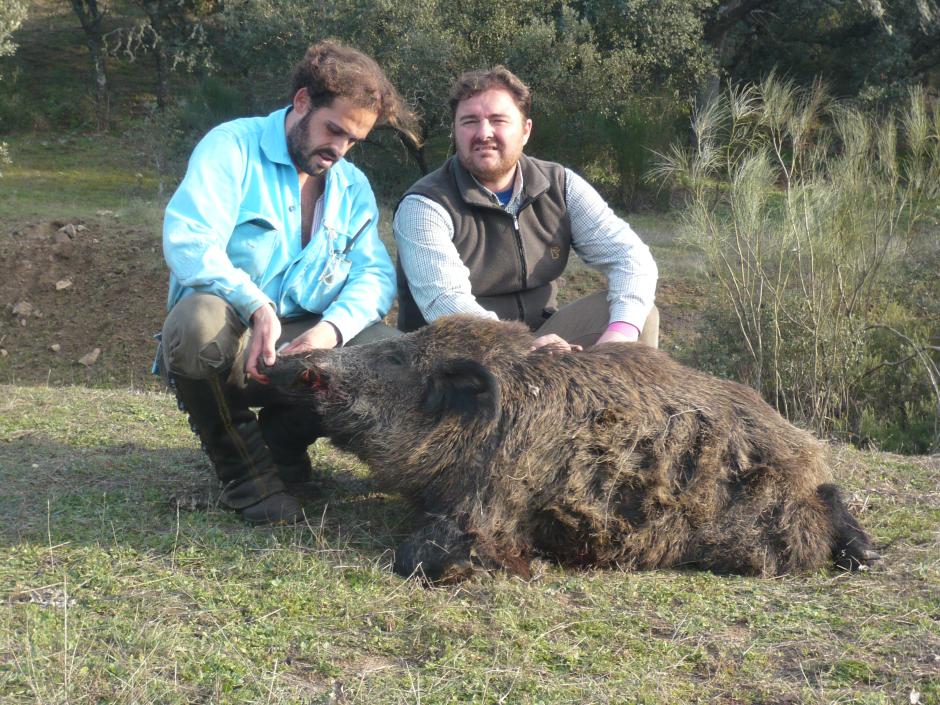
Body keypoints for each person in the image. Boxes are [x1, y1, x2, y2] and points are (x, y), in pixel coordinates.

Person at [158, 41, 416, 525]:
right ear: (302, 102)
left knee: (395, 357)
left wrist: (329, 333)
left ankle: (283, 444)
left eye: (353, 140)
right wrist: (256, 307)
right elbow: (189, 239)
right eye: (333, 129)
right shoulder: (231, 147)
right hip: (233, 343)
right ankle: (247, 477)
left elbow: (375, 275)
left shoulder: (351, 186)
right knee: (197, 325)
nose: (338, 150)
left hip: (304, 343)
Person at [394, 66, 658, 353]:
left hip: (543, 335)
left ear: (525, 131)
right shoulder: (424, 205)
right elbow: (446, 302)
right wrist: (525, 348)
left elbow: (631, 258)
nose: (484, 133)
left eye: (499, 120)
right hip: (457, 355)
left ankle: (619, 395)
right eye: (469, 122)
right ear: (455, 132)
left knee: (639, 316)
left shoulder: (560, 185)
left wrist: (618, 338)